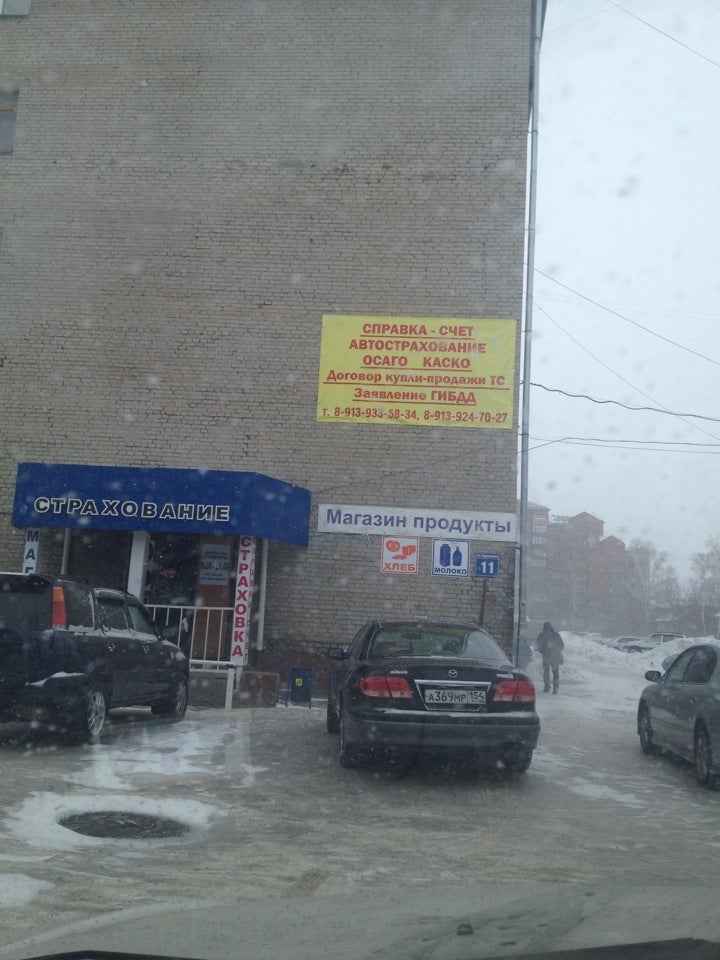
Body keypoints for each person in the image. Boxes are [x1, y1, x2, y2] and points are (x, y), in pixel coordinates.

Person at [536, 621, 564, 694]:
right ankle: (555, 688)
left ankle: (547, 686)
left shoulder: (541, 635)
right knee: (555, 673)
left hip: (546, 656)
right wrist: (556, 650)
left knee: (546, 672)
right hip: (555, 657)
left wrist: (544, 651)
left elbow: (539, 646)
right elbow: (562, 645)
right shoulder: (556, 635)